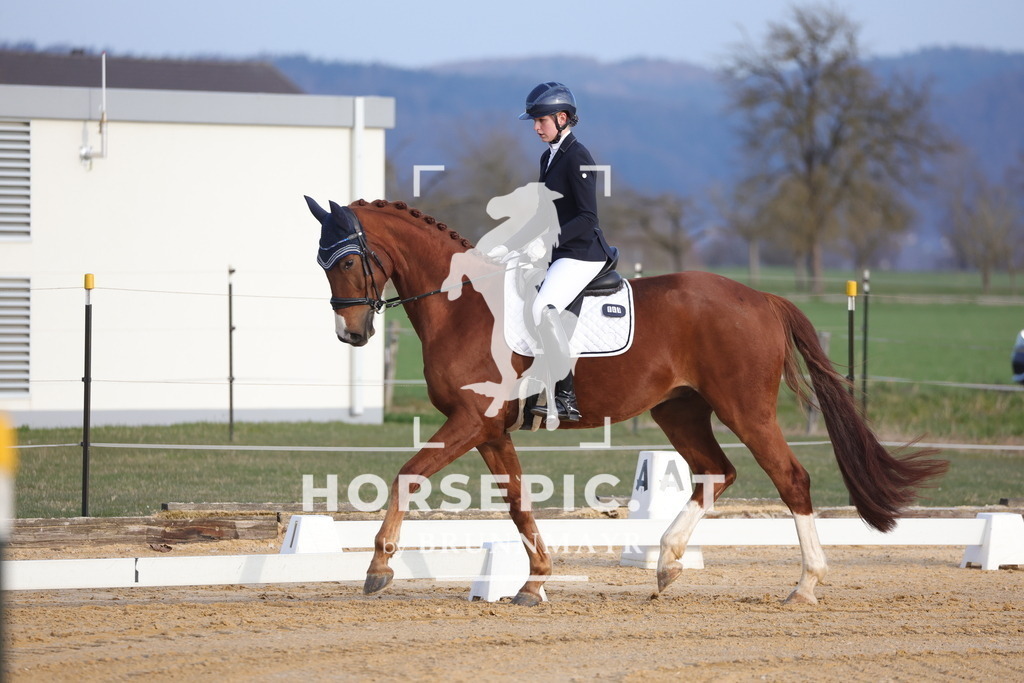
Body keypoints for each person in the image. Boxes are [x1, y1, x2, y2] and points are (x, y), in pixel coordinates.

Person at [517, 82, 617, 422]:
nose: (535, 127)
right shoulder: (549, 156)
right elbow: (543, 214)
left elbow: (588, 217)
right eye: (534, 121)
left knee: (543, 307)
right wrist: (510, 245)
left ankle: (565, 396)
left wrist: (546, 242)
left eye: (540, 120)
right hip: (560, 252)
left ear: (562, 118)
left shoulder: (578, 156)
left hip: (582, 254)